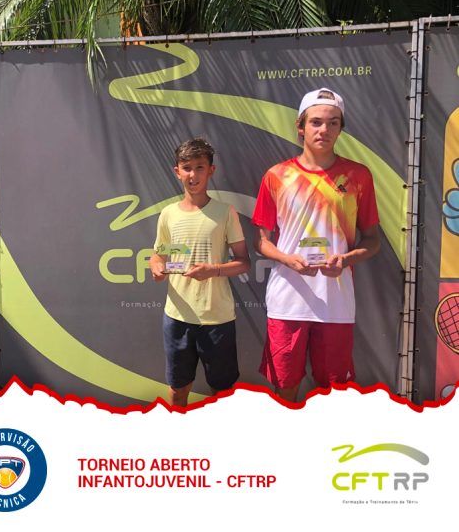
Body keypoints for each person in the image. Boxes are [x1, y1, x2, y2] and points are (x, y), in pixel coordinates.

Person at [252, 88, 380, 402]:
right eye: (316, 122)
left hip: (336, 303)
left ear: (341, 128)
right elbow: (261, 242)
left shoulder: (358, 176)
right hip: (287, 300)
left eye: (333, 123)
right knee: (285, 389)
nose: (325, 129)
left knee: (333, 393)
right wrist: (288, 259)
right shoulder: (277, 176)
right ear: (301, 126)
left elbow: (373, 240)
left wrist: (346, 260)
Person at [150, 138, 250, 407]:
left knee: (223, 393)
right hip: (177, 317)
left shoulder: (225, 212)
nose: (193, 175)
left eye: (199, 167)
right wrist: (156, 267)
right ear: (177, 172)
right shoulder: (168, 214)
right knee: (178, 390)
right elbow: (158, 254)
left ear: (211, 170)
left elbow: (244, 262)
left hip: (217, 318)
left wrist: (213, 270)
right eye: (187, 168)